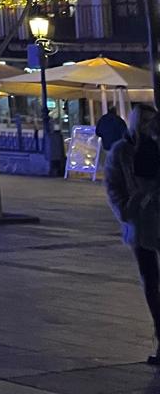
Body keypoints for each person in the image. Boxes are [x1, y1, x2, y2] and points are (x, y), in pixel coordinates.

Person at [106, 106, 160, 364]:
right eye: (146, 120)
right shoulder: (121, 151)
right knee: (150, 280)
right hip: (139, 220)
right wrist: (128, 209)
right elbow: (113, 185)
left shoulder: (156, 145)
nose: (150, 125)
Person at [99, 105, 131, 179]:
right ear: (115, 112)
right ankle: (116, 177)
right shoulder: (119, 120)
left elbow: (98, 131)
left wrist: (104, 135)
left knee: (108, 161)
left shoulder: (102, 119)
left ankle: (110, 176)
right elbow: (125, 132)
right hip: (117, 145)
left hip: (106, 145)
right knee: (117, 162)